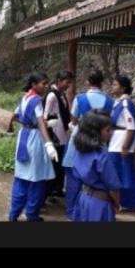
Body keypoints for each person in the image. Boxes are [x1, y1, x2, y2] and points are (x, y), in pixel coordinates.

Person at [62, 69, 113, 220]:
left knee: (73, 179)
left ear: (87, 82)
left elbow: (73, 119)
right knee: (96, 178)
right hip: (100, 141)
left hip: (80, 139)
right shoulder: (110, 101)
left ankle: (72, 212)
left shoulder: (80, 98)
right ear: (102, 83)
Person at [9, 72, 59, 222]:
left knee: (21, 178)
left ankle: (13, 214)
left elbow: (16, 116)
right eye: (43, 83)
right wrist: (49, 144)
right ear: (33, 84)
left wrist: (34, 124)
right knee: (37, 179)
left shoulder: (25, 97)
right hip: (34, 141)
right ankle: (32, 214)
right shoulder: (37, 100)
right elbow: (41, 123)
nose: (46, 86)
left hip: (23, 136)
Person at [108, 74, 135, 212]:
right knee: (119, 172)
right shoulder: (117, 102)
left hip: (122, 141)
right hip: (116, 140)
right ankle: (124, 201)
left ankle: (133, 202)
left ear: (123, 88)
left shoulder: (125, 103)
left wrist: (125, 146)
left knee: (125, 173)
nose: (112, 87)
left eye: (115, 84)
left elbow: (131, 127)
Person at [72, 110, 122, 222]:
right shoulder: (101, 154)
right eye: (107, 130)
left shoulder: (80, 149)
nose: (111, 133)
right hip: (100, 203)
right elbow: (113, 187)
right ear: (95, 132)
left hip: (83, 198)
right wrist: (117, 204)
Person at [43, 70, 74, 198]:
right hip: (55, 135)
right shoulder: (52, 95)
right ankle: (51, 190)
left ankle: (57, 188)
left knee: (60, 162)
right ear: (59, 81)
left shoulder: (61, 95)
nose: (69, 85)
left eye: (70, 82)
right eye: (67, 82)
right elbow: (45, 115)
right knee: (55, 163)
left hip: (62, 134)